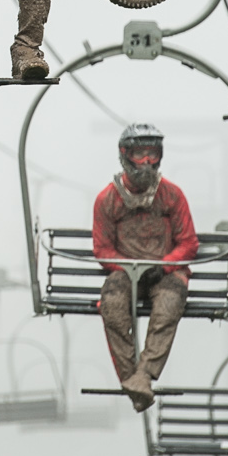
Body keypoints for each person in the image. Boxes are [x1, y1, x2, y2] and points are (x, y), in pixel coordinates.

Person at [92, 123, 199, 411]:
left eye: (152, 154)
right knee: (112, 305)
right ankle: (131, 378)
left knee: (169, 304)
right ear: (125, 156)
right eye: (140, 155)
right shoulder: (108, 200)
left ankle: (145, 373)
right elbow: (102, 248)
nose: (147, 162)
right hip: (125, 273)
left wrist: (163, 266)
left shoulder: (171, 196)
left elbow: (188, 243)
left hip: (166, 273)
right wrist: (125, 267)